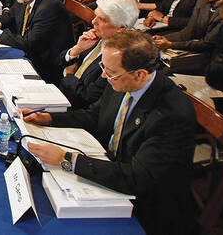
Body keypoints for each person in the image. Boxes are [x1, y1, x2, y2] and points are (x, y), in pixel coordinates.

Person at [23, 30, 196, 234]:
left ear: (140, 74)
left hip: (146, 207)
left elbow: (137, 179)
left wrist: (66, 159)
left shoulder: (171, 115)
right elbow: (96, 115)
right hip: (109, 166)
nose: (104, 75)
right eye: (103, 67)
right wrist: (50, 118)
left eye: (110, 71)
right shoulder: (122, 80)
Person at [58, 0, 138, 108]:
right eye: (96, 16)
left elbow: (87, 97)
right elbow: (60, 61)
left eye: (102, 19)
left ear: (120, 28)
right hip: (62, 93)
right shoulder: (97, 37)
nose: (93, 21)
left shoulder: (118, 59)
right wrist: (77, 50)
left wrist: (68, 75)